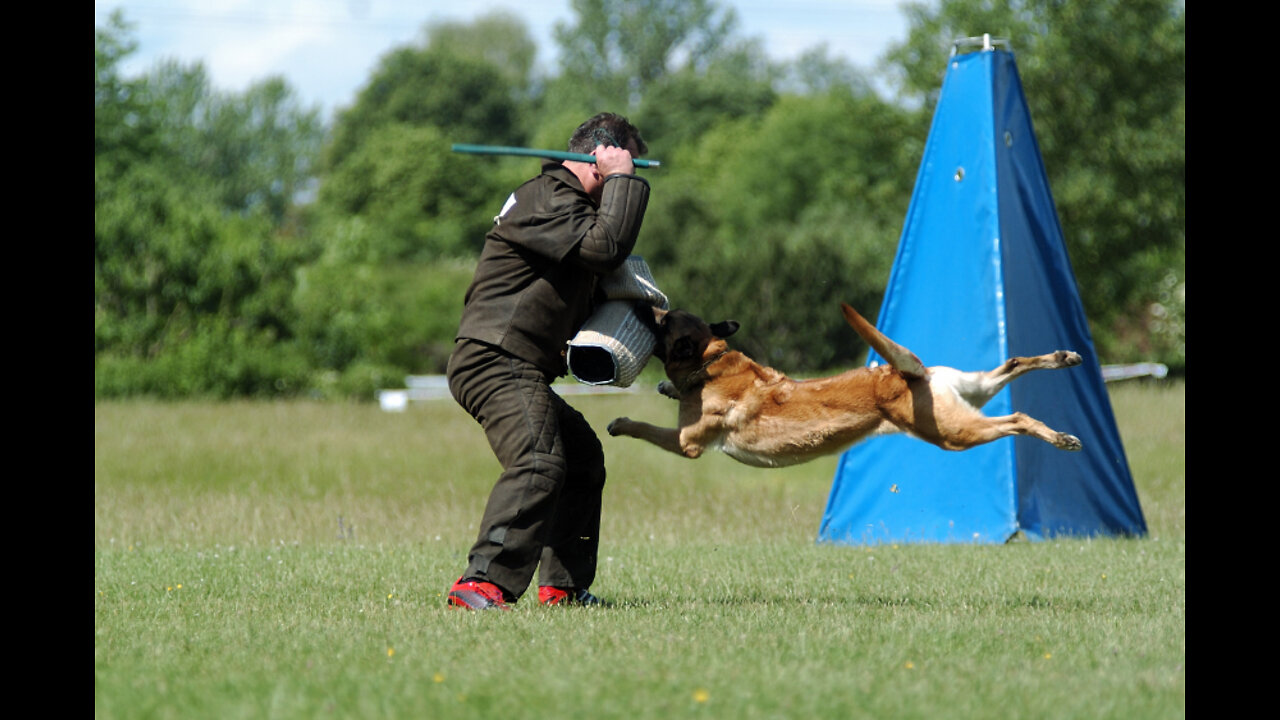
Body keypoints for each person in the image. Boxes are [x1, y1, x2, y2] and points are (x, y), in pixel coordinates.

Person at [445, 113, 652, 610]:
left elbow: (603, 270)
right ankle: (481, 584)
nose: (631, 174)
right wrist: (624, 177)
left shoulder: (568, 210)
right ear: (600, 158)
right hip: (494, 357)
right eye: (627, 161)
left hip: (515, 361)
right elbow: (605, 248)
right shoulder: (548, 197)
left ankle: (563, 588)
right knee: (538, 461)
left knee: (581, 459)